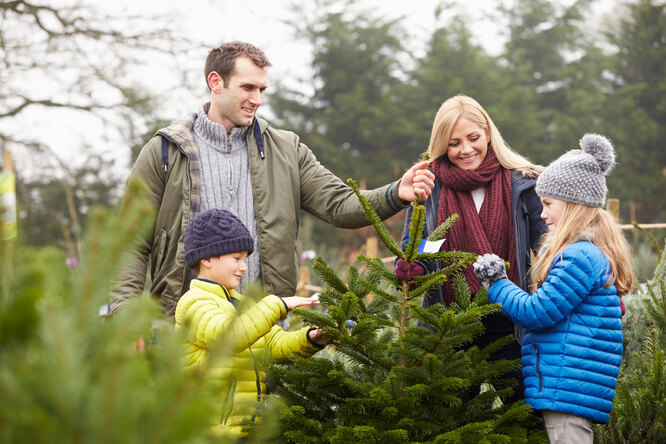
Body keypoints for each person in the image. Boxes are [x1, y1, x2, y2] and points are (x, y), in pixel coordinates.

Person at [110, 41, 434, 317]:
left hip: (265, 333)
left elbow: (339, 204)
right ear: (215, 82)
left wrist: (396, 193)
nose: (257, 99)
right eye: (248, 87)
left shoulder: (287, 150)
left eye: (262, 89)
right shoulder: (164, 152)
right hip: (184, 334)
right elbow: (130, 243)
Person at [473, 134, 633, 444]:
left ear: (573, 205)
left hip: (567, 384)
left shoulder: (578, 257)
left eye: (548, 204)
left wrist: (497, 282)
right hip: (569, 382)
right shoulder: (588, 253)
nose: (542, 213)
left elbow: (536, 313)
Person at [394, 94, 547, 403]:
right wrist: (415, 264)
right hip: (450, 329)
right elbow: (418, 244)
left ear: (488, 133)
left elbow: (548, 248)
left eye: (473, 138)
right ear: (441, 145)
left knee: (525, 418)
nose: (466, 149)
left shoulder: (523, 182)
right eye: (454, 143)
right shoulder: (429, 187)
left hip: (512, 327)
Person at [175, 208, 325, 438]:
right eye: (236, 259)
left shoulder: (241, 303)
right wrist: (278, 304)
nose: (244, 267)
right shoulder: (193, 303)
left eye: (245, 259)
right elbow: (228, 337)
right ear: (206, 258)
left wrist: (312, 338)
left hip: (249, 430)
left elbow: (275, 343)